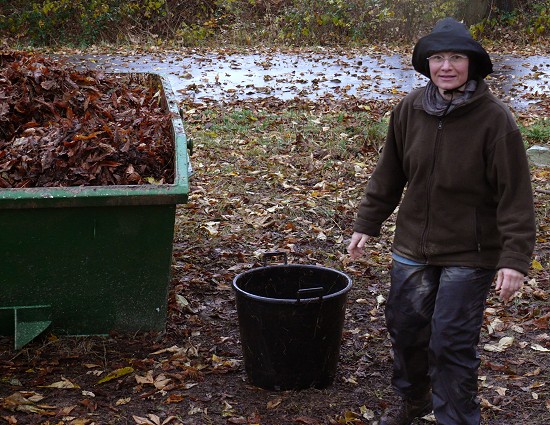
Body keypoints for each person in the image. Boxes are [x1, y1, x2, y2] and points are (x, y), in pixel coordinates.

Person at [347, 18, 536, 425]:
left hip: (471, 251)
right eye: (437, 57)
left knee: (450, 340)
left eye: (455, 57)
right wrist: (368, 222)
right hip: (413, 244)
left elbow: (516, 197)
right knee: (407, 329)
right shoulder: (410, 108)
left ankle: (457, 418)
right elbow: (389, 173)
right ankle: (415, 401)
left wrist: (514, 260)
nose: (446, 66)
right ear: (426, 64)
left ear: (472, 64)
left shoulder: (495, 120)